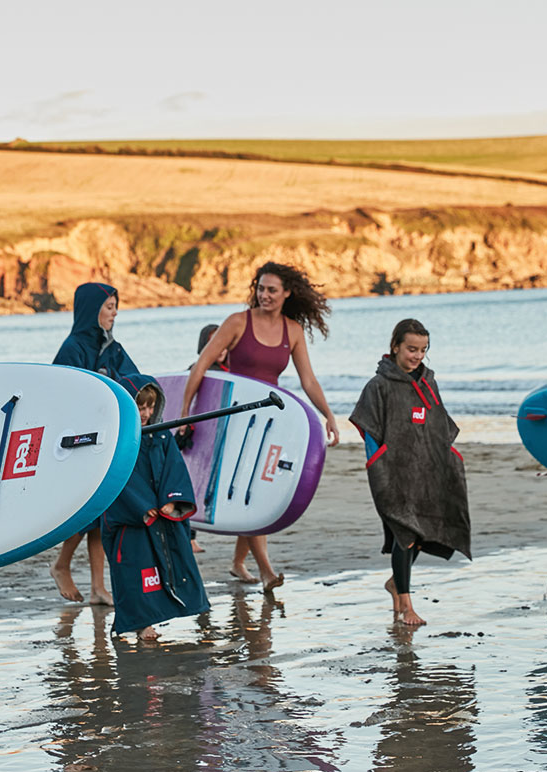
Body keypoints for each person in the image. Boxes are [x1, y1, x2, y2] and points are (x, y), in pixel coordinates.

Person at [181, 261, 340, 594]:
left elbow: (307, 379)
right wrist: (186, 413)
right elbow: (202, 366)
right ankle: (267, 571)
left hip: (271, 421)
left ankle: (239, 563)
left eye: (271, 290)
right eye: (260, 288)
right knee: (249, 491)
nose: (264, 295)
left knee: (255, 491)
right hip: (236, 417)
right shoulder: (239, 322)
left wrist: (328, 414)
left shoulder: (292, 331)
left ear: (286, 293)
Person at [349, 318, 471, 626]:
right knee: (404, 534)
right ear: (395, 347)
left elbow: (438, 424)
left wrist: (449, 457)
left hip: (426, 472)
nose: (416, 356)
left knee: (419, 534)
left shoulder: (428, 382)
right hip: (392, 473)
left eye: (422, 350)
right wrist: (378, 466)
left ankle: (395, 585)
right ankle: (406, 606)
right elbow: (369, 430)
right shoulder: (378, 386)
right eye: (411, 349)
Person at [49, 282, 140, 605]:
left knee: (104, 514)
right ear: (92, 309)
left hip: (108, 439)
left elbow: (133, 379)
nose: (115, 313)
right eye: (109, 306)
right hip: (78, 442)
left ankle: (99, 588)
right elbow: (61, 393)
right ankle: (61, 564)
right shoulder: (72, 347)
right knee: (87, 512)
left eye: (116, 306)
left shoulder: (112, 347)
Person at [101, 375, 210, 640]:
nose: (147, 414)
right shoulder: (117, 442)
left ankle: (187, 608)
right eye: (140, 407)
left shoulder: (162, 435)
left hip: (164, 514)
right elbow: (117, 480)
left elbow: (175, 469)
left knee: (175, 565)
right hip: (132, 520)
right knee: (136, 573)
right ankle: (141, 624)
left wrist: (172, 500)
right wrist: (141, 506)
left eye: (151, 407)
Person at [184, 323, 229, 554]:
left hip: (220, 435)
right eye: (214, 342)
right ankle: (189, 536)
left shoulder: (229, 370)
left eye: (223, 341)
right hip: (199, 434)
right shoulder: (197, 368)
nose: (220, 347)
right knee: (195, 484)